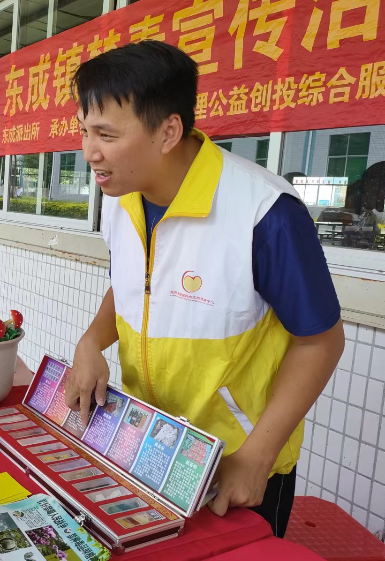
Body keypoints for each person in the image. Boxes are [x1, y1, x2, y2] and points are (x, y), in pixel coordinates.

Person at [64, 41, 344, 537]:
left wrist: (257, 456)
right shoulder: (120, 198)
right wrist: (91, 342)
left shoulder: (265, 213)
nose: (89, 153)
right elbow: (132, 285)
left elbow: (321, 340)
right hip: (146, 445)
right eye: (84, 131)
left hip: (231, 466)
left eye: (105, 134)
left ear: (168, 131)